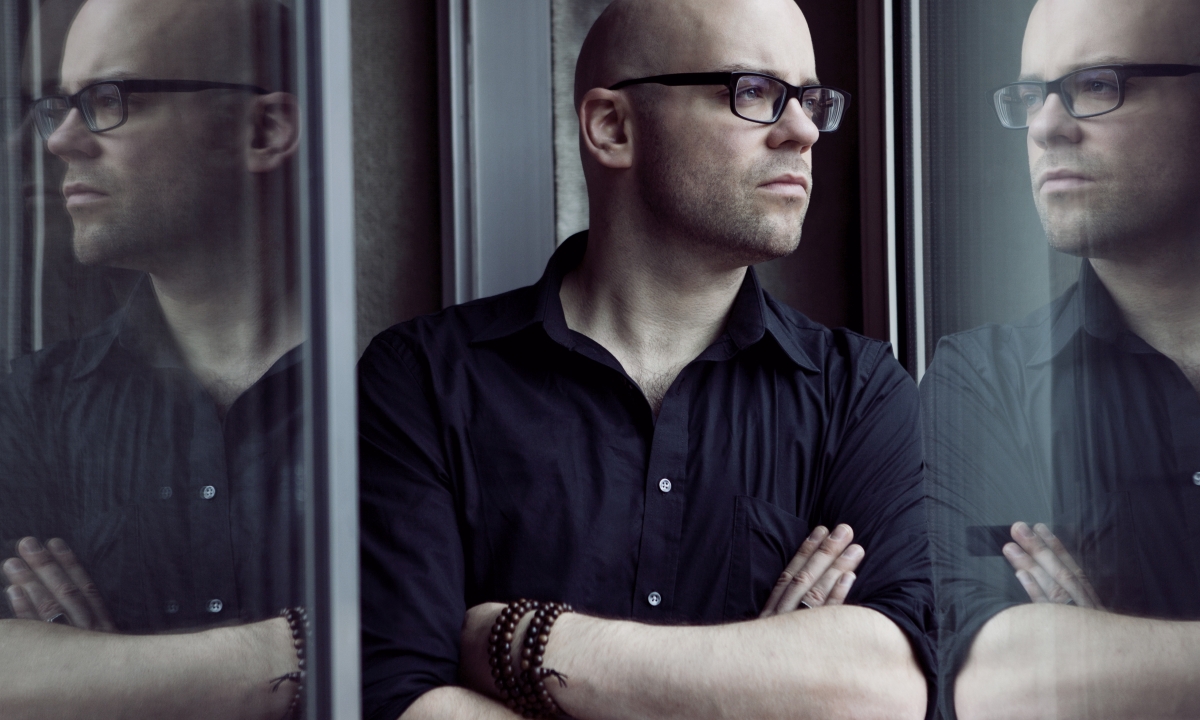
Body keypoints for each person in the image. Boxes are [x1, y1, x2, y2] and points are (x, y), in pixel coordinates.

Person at [359, 1, 934, 719]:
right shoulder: (422, 379)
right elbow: (399, 702)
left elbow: (886, 690)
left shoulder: (859, 392)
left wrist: (524, 644)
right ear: (613, 127)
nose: (804, 130)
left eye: (811, 99)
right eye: (754, 91)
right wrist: (763, 683)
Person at [0, 0, 309, 717]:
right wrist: (313, 647)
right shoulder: (34, 401)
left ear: (264, 130)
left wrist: (103, 679)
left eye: (109, 99)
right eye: (60, 106)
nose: (60, 140)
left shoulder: (405, 385)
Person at [921, 0, 1200, 717]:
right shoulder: (982, 382)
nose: (1046, 126)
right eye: (1030, 95)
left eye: (1097, 84)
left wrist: (1108, 660)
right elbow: (1004, 685)